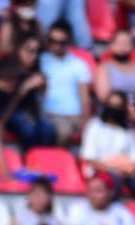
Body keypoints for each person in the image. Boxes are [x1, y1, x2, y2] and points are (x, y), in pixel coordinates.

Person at [39, 19, 91, 147]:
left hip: (74, 115)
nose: (56, 46)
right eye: (52, 41)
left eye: (61, 42)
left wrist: (85, 123)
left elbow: (85, 98)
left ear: (69, 42)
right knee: (62, 130)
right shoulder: (40, 61)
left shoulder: (80, 64)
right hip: (49, 114)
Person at [95, 30, 135, 102]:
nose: (122, 47)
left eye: (126, 43)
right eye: (119, 43)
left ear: (132, 46)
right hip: (114, 110)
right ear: (111, 45)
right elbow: (103, 96)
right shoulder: (103, 68)